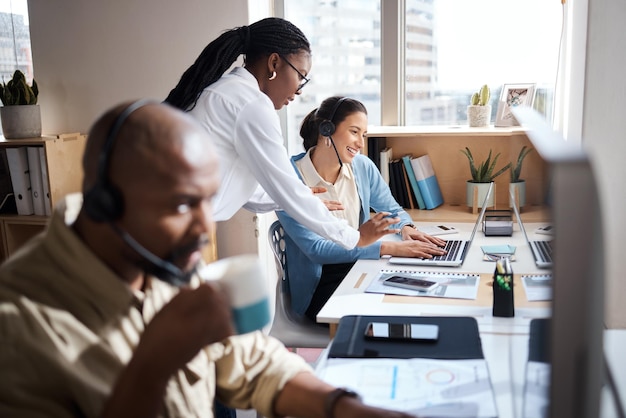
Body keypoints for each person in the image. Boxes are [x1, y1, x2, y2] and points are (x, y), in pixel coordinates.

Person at [0, 100, 416, 418]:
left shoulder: (162, 260)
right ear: (107, 204)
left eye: (207, 199)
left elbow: (255, 363)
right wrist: (155, 362)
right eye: (182, 204)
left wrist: (344, 408)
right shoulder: (17, 329)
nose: (204, 229)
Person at [164, 17, 395, 250]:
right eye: (300, 77)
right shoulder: (251, 105)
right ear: (274, 63)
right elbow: (285, 187)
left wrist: (300, 198)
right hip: (169, 226)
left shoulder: (231, 91)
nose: (298, 91)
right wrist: (355, 238)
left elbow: (248, 189)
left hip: (170, 219)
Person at [276, 97, 447, 321]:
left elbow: (392, 208)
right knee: (387, 312)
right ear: (326, 130)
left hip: (360, 268)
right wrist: (387, 248)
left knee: (418, 293)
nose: (361, 144)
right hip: (319, 286)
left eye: (363, 135)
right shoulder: (289, 178)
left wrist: (406, 227)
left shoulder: (362, 167)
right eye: (354, 132)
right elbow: (316, 250)